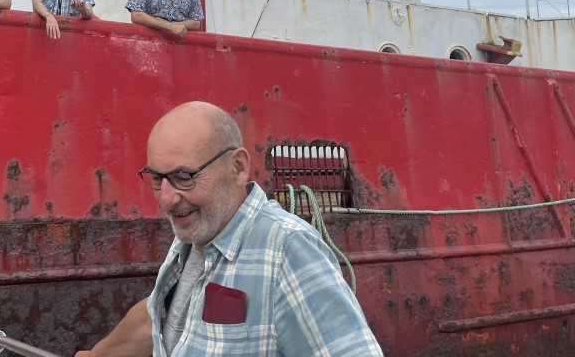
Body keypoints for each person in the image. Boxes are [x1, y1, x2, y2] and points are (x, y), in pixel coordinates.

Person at [76, 101, 383, 357]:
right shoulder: (197, 231)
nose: (167, 199)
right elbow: (164, 314)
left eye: (184, 176)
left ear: (237, 167)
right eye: (157, 179)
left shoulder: (287, 249)